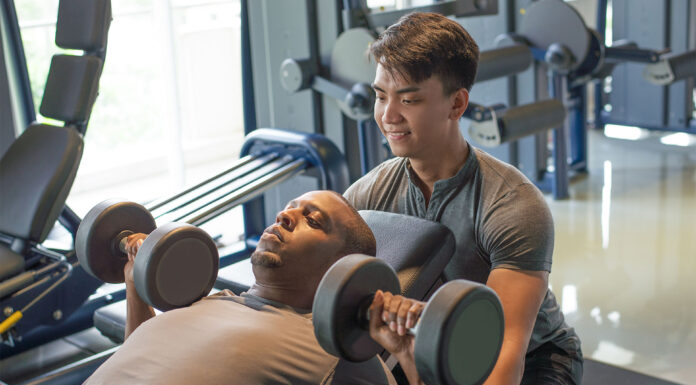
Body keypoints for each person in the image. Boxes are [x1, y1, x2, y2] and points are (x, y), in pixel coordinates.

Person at [344, 12, 583, 385]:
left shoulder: (513, 206)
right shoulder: (367, 194)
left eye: (408, 100)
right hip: (423, 342)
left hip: (534, 356)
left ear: (457, 105)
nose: (388, 115)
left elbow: (504, 354)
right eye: (380, 96)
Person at [85, 190, 400, 385]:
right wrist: (135, 284)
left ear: (342, 267)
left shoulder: (337, 351)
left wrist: (407, 352)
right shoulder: (210, 302)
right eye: (291, 206)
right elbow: (138, 358)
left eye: (312, 220)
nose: (285, 215)